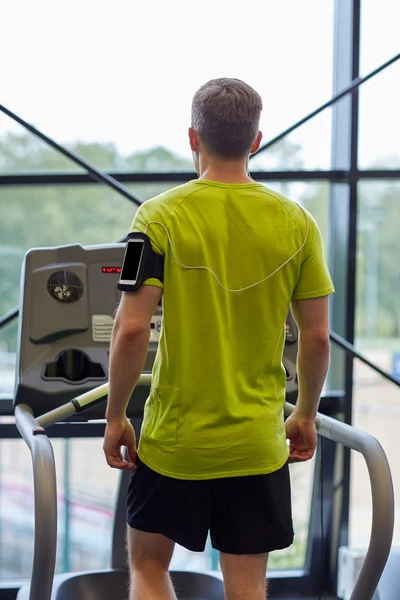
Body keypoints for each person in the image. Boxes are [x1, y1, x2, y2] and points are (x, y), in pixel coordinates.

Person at [103, 78, 334, 600]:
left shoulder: (156, 216)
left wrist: (117, 416)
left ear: (193, 137)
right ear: (256, 140)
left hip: (174, 442)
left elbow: (132, 326)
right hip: (256, 443)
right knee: (247, 587)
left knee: (146, 565)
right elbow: (317, 337)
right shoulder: (298, 223)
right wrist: (305, 413)